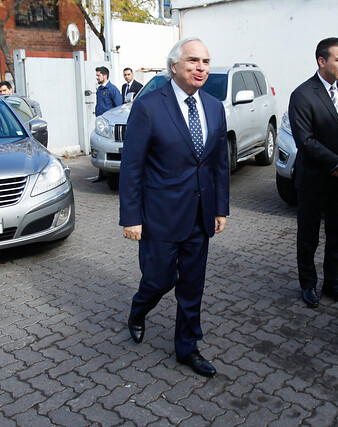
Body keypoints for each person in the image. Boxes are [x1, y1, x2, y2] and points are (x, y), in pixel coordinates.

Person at [119, 37, 229, 377]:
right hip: (160, 216)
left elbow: (218, 163)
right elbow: (132, 165)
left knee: (192, 286)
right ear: (174, 66)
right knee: (157, 279)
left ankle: (187, 347)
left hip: (200, 215)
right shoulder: (150, 105)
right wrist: (131, 217)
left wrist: (220, 208)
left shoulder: (213, 106)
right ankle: (139, 309)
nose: (200, 68)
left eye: (206, 62)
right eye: (193, 61)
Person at [288, 37, 338, 309]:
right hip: (314, 179)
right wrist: (334, 162)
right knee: (308, 236)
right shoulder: (302, 95)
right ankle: (308, 285)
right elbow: (304, 140)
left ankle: (335, 283)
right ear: (322, 61)